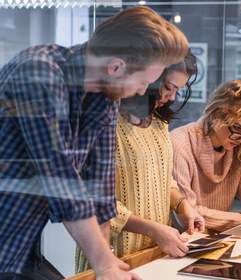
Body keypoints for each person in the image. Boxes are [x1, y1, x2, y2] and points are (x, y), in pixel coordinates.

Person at [0, 6, 188, 280]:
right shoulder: (38, 73)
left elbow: (101, 192)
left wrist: (105, 264)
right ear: (115, 66)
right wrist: (104, 264)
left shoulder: (105, 98)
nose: (144, 92)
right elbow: (61, 180)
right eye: (143, 82)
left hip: (22, 245)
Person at [75, 51, 205, 272]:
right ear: (151, 77)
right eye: (169, 87)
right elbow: (93, 200)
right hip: (111, 255)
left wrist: (183, 206)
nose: (172, 97)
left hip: (155, 250)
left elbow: (164, 180)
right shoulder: (106, 121)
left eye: (178, 90)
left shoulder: (158, 123)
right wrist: (152, 229)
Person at [171, 80, 241, 232]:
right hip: (185, 240)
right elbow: (187, 214)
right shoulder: (180, 144)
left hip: (220, 237)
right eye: (237, 127)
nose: (240, 137)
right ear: (215, 114)